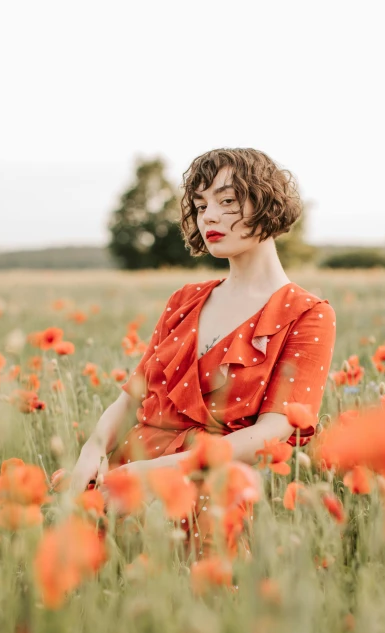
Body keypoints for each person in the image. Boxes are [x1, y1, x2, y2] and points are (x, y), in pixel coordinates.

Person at [69, 147, 337, 550]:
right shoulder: (185, 300)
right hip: (128, 472)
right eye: (199, 205)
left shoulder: (306, 314)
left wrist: (159, 471)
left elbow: (274, 430)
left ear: (267, 203)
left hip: (207, 488)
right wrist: (93, 447)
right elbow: (134, 395)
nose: (208, 216)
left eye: (226, 201)